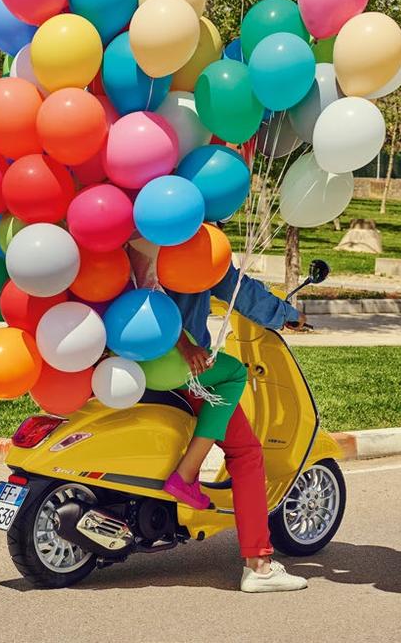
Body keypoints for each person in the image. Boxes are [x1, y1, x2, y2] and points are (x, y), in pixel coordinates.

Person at [128, 239, 308, 593]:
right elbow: (242, 292)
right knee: (245, 450)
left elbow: (147, 295)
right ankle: (258, 564)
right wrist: (290, 315)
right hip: (181, 366)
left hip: (127, 359)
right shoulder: (203, 246)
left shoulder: (133, 237)